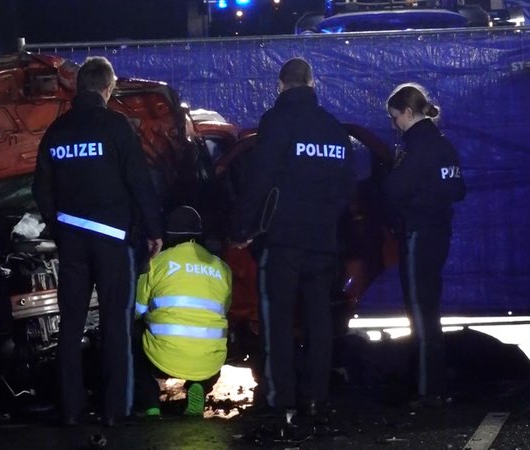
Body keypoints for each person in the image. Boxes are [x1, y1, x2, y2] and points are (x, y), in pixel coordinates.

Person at [32, 56, 164, 426]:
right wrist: (154, 232)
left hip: (72, 244)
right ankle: (115, 412)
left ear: (78, 89)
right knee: (115, 326)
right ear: (108, 88)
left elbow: (40, 189)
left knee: (70, 326)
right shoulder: (117, 127)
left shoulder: (57, 132)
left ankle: (72, 412)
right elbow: (140, 183)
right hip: (113, 243)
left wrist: (60, 228)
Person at [229, 58, 355, 424]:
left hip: (282, 240)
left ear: (281, 85)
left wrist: (241, 229)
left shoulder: (276, 121)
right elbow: (348, 186)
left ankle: (280, 398)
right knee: (319, 321)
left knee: (278, 320)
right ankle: (316, 399)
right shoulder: (332, 128)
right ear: (313, 84)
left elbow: (259, 179)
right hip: (322, 241)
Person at [383, 83, 466, 407]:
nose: (394, 125)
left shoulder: (417, 149)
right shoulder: (443, 146)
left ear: (407, 113)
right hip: (438, 233)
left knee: (420, 312)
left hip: (418, 234)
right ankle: (433, 384)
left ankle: (427, 389)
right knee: (429, 310)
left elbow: (393, 190)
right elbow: (458, 189)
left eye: (395, 118)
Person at [133, 205, 232, 418]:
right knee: (217, 328)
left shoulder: (156, 263)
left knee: (130, 332)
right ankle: (199, 385)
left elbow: (136, 310)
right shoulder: (222, 267)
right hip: (207, 361)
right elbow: (224, 309)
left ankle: (150, 401)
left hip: (161, 357)